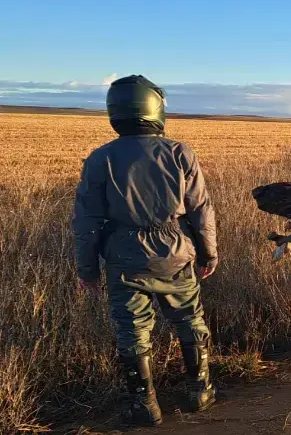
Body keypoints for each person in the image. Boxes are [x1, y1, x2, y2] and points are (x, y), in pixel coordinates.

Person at [72, 75, 218, 427]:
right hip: (176, 254)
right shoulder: (180, 153)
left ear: (115, 111)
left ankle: (144, 404)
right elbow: (201, 209)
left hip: (124, 259)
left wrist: (87, 269)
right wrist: (209, 253)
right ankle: (200, 391)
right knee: (188, 320)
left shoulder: (100, 158)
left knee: (132, 330)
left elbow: (86, 220)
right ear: (155, 109)